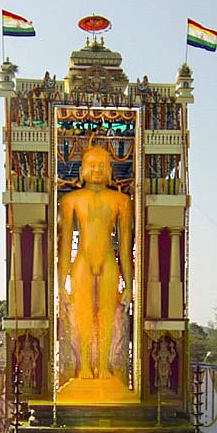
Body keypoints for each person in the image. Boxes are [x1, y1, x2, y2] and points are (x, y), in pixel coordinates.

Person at [57, 144, 133, 381]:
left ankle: (103, 366)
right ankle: (83, 368)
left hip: (109, 261)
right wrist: (61, 286)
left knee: (108, 316)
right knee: (83, 316)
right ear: (82, 170)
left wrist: (129, 285)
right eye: (91, 165)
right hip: (82, 262)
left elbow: (125, 245)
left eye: (102, 165)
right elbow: (65, 242)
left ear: (110, 170)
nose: (97, 169)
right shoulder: (71, 199)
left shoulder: (121, 200)